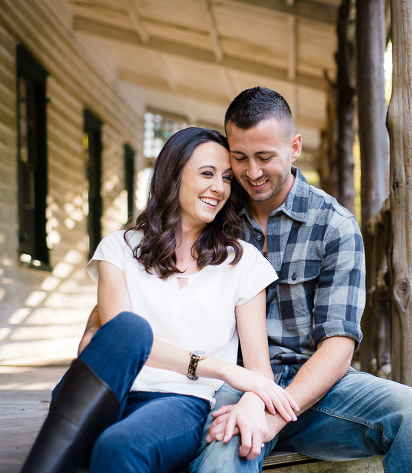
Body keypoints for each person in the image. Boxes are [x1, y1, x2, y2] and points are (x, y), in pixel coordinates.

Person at [188, 87, 412, 472]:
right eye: (239, 157)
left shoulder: (333, 225)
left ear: (294, 146)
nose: (252, 172)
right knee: (224, 456)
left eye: (264, 157)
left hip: (316, 391)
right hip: (235, 386)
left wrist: (276, 415)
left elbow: (338, 347)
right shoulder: (212, 212)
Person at [20, 127, 298, 473]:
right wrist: (221, 367)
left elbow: (258, 370)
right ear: (172, 175)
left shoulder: (243, 261)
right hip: (106, 390)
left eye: (226, 178)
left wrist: (254, 399)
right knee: (130, 330)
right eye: (207, 174)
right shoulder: (119, 248)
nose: (219, 187)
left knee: (119, 447)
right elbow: (123, 343)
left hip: (180, 401)